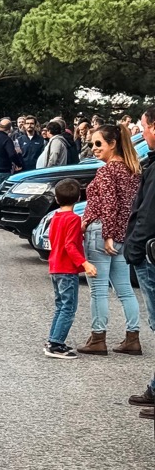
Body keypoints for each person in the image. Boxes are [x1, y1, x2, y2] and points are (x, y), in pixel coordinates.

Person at [77, 124, 145, 356]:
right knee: (125, 289)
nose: (94, 148)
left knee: (98, 289)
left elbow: (109, 205)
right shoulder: (133, 170)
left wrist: (107, 235)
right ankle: (132, 337)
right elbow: (131, 207)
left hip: (102, 233)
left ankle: (98, 338)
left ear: (113, 143)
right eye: (92, 144)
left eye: (98, 144)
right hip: (124, 234)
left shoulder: (107, 171)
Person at [124, 108, 155, 416]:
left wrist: (133, 248)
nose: (142, 133)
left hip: (149, 252)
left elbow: (147, 214)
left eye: (144, 128)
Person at [45, 179, 97, 359]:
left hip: (55, 266)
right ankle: (56, 344)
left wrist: (79, 230)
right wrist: (85, 263)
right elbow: (70, 245)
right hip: (67, 269)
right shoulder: (74, 219)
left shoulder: (55, 217)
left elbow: (57, 239)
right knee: (68, 307)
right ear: (78, 198)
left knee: (60, 306)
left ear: (57, 199)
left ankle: (53, 339)